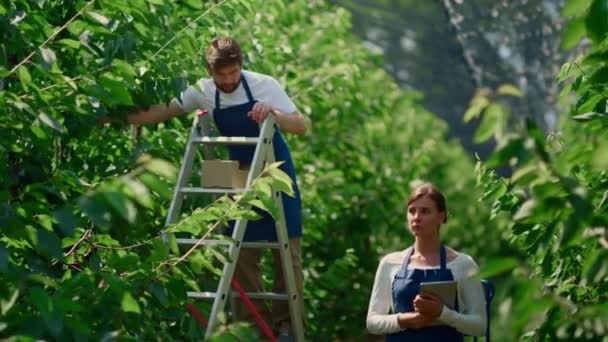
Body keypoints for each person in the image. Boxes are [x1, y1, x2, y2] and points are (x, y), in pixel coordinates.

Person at [116, 37, 307, 338]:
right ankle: (254, 327)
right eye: (222, 75)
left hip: (274, 168)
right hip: (233, 171)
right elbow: (162, 110)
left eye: (233, 73)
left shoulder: (262, 84)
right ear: (210, 72)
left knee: (287, 251)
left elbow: (301, 125)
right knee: (238, 253)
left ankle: (287, 325)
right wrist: (113, 116)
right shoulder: (203, 92)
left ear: (241, 67)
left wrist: (273, 113)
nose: (229, 80)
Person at [366, 183, 486, 340]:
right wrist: (403, 320)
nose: (416, 217)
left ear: (441, 216)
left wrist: (442, 313)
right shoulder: (390, 263)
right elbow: (372, 322)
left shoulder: (464, 264)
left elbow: (480, 325)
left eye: (425, 211)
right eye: (411, 211)